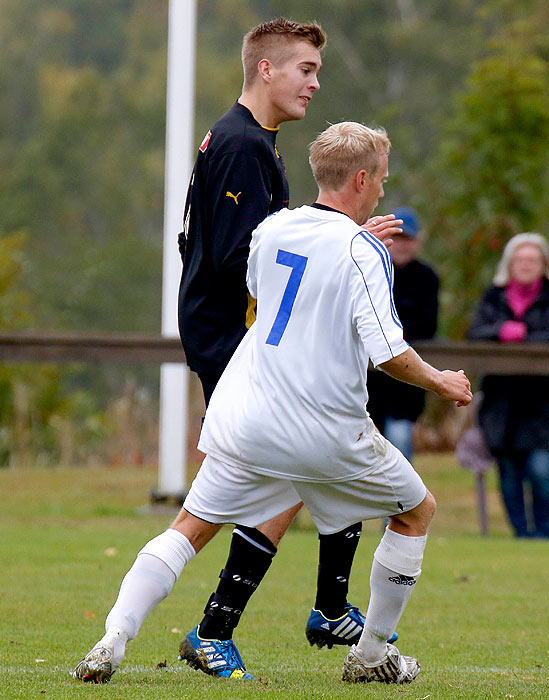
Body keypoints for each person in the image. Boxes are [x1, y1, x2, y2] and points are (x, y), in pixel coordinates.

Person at [73, 19, 399, 684]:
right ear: (266, 70)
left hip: (239, 344)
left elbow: (224, 246)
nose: (314, 81)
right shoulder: (244, 146)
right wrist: (340, 239)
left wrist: (332, 236)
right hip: (237, 347)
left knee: (291, 479)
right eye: (304, 69)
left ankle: (307, 613)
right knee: (254, 491)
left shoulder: (248, 141)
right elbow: (237, 259)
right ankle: (225, 628)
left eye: (315, 70)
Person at [465, 233, 549, 539]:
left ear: (543, 265)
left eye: (532, 260)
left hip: (542, 402)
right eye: (520, 260)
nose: (525, 265)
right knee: (508, 474)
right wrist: (502, 330)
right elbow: (475, 334)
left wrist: (524, 335)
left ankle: (544, 534)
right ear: (510, 264)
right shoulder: (492, 297)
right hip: (501, 402)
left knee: (541, 472)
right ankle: (521, 535)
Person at [366, 207, 439, 461]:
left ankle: (402, 499)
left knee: (399, 439)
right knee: (369, 444)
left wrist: (386, 332)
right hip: (369, 379)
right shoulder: (371, 270)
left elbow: (427, 326)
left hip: (406, 380)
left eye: (407, 239)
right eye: (397, 238)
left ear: (417, 242)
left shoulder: (426, 277)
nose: (402, 245)